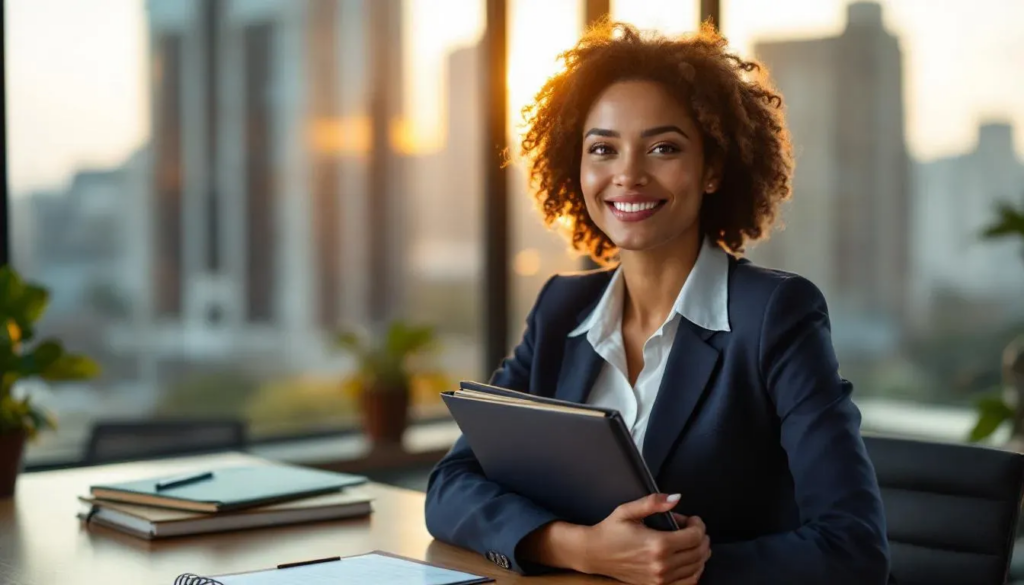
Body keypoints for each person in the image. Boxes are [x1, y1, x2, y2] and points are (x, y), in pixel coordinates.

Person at [424, 21, 890, 585]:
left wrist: (679, 569)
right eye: (603, 149)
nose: (628, 174)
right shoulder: (562, 309)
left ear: (712, 169)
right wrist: (580, 548)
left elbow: (854, 546)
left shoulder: (775, 314)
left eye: (663, 147)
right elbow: (450, 488)